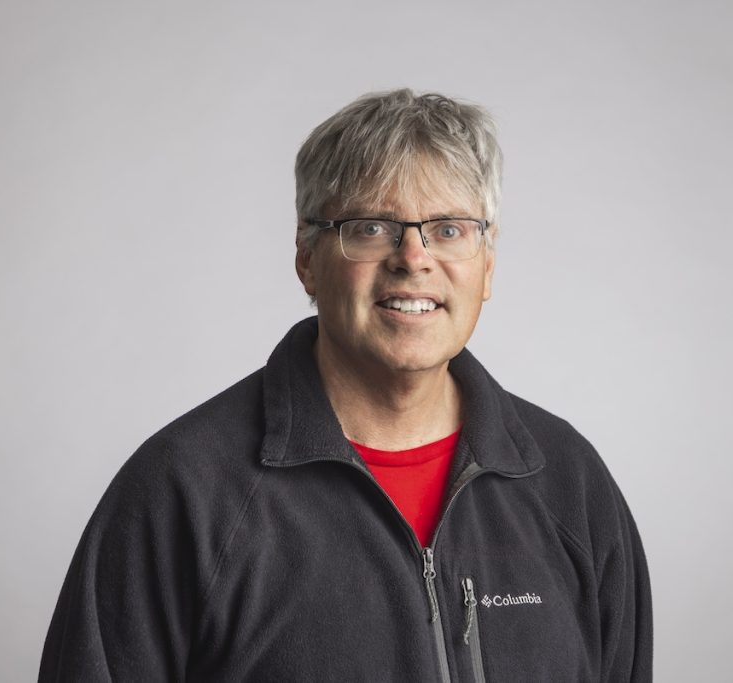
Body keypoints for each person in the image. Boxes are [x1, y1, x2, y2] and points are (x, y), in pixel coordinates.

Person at [39, 89, 652, 682]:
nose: (413, 258)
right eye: (371, 227)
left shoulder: (568, 480)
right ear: (307, 257)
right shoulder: (183, 492)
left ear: (486, 264)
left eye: (448, 229)